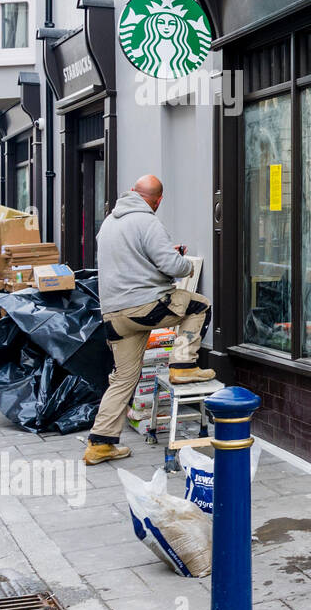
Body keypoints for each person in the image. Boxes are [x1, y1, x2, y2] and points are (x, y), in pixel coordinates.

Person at [83, 175, 215, 466]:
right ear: (158, 201)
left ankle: (100, 443)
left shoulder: (108, 224)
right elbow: (171, 266)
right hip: (145, 307)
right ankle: (182, 366)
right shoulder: (148, 222)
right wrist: (181, 263)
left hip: (114, 316)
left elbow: (130, 262)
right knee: (198, 306)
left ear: (131, 192)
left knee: (123, 378)